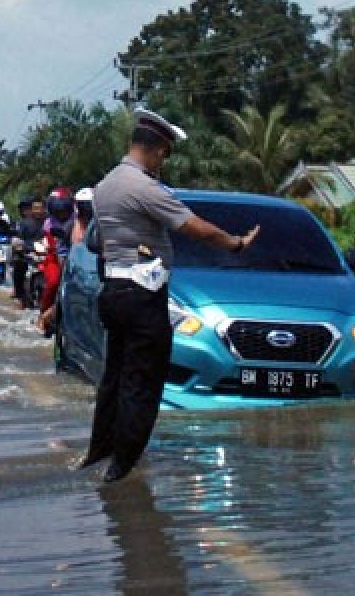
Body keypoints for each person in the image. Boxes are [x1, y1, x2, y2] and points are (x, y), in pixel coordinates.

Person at [82, 109, 259, 483]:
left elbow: (97, 241)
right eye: (166, 154)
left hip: (113, 290)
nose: (165, 162)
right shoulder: (144, 188)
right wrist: (237, 244)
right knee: (141, 383)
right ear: (158, 149)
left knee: (114, 378)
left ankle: (98, 453)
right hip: (142, 295)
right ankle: (122, 471)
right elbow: (198, 229)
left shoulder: (105, 186)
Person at [36, 187, 76, 335]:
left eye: (63, 211)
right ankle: (43, 313)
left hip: (75, 256)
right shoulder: (48, 223)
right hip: (54, 257)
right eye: (57, 211)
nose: (61, 214)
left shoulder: (77, 219)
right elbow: (50, 244)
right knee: (53, 282)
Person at [11, 197, 46, 307]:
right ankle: (20, 294)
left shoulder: (49, 223)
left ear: (44, 209)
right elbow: (18, 239)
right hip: (28, 255)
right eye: (35, 208)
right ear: (31, 209)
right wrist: (18, 246)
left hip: (46, 255)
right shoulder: (24, 224)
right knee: (19, 266)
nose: (38, 211)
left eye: (40, 208)